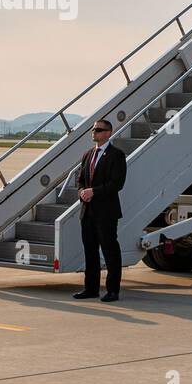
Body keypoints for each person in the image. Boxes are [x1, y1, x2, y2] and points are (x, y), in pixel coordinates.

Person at [73, 120, 127, 303]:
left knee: (110, 251)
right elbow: (80, 180)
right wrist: (81, 192)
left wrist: (94, 191)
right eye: (93, 129)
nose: (93, 132)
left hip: (106, 212)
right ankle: (91, 288)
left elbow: (117, 184)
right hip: (87, 211)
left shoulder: (116, 155)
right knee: (90, 251)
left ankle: (113, 290)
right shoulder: (88, 155)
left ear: (108, 133)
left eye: (98, 130)